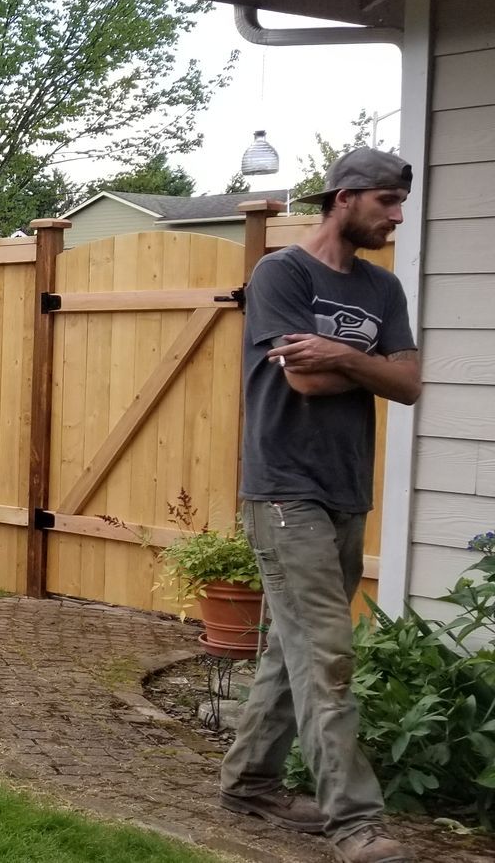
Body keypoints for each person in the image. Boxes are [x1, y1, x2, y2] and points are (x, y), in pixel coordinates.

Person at [219, 146, 423, 863]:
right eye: (385, 203)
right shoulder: (282, 273)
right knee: (328, 653)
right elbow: (301, 384)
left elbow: (409, 382)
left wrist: (335, 354)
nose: (396, 216)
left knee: (293, 647)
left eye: (400, 203)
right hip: (284, 489)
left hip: (344, 485)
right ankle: (354, 822)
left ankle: (249, 782)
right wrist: (369, 367)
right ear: (344, 197)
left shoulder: (382, 289)